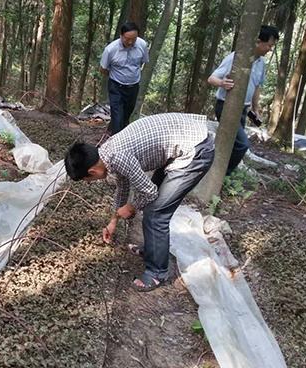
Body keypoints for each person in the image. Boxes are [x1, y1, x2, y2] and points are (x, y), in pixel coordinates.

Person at [64, 113, 215, 292]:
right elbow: (123, 184)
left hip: (195, 151)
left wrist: (132, 206)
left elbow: (150, 192)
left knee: (155, 214)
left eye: (87, 180)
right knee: (152, 207)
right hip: (183, 142)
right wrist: (113, 220)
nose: (91, 183)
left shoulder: (117, 157)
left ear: (92, 171)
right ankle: (152, 250)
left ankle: (157, 273)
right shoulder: (107, 153)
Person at [208, 25, 279, 175]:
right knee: (242, 144)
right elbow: (211, 78)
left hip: (243, 110)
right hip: (226, 106)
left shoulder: (261, 63)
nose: (270, 49)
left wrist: (255, 108)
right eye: (269, 45)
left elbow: (257, 86)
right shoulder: (236, 58)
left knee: (232, 144)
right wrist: (222, 83)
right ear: (259, 41)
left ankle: (216, 172)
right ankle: (221, 175)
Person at [100, 22, 149, 135]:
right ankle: (115, 143)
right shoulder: (110, 50)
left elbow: (143, 61)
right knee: (117, 115)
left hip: (133, 86)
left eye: (134, 39)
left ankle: (115, 129)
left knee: (126, 114)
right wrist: (116, 75)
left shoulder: (142, 45)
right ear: (121, 36)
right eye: (127, 39)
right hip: (116, 86)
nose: (130, 42)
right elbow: (103, 69)